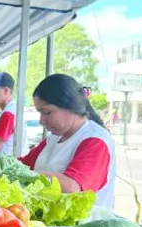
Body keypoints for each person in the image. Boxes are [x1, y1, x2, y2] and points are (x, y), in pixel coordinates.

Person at [19, 74, 117, 208]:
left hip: (85, 221)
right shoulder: (54, 137)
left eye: (47, 112)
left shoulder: (95, 140)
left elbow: (73, 188)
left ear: (70, 106)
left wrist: (28, 175)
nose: (41, 121)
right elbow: (23, 164)